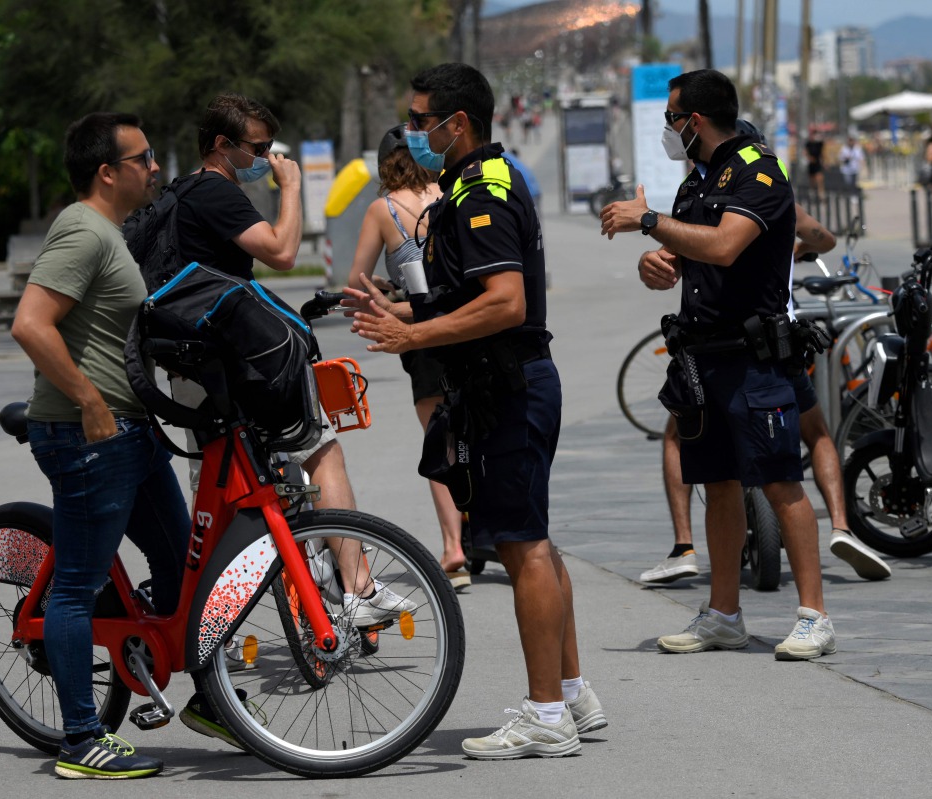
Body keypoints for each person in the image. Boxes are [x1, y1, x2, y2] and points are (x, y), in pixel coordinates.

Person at [347, 62, 606, 759]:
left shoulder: (482, 190)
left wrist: (412, 335)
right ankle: (572, 693)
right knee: (536, 543)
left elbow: (505, 302)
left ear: (456, 123)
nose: (413, 131)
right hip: (511, 382)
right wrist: (397, 309)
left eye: (420, 117)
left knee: (523, 548)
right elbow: (464, 294)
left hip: (510, 385)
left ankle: (545, 714)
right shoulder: (474, 182)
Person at [169, 93, 416, 744]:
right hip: (234, 364)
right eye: (253, 146)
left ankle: (208, 654)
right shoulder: (215, 191)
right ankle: (358, 586)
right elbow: (280, 251)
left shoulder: (177, 196)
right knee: (321, 449)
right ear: (221, 146)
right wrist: (293, 186)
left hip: (194, 369)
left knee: (222, 500)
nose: (262, 157)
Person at [599, 69, 835, 661]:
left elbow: (727, 244)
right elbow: (686, 256)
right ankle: (723, 614)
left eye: (671, 118)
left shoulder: (759, 169)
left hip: (755, 358)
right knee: (718, 485)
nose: (668, 130)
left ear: (693, 120)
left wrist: (648, 222)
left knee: (781, 482)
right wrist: (657, 264)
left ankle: (814, 616)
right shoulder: (696, 183)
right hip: (704, 359)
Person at [11, 112, 184, 779]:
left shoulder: (107, 232)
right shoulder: (81, 231)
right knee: (77, 585)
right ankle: (80, 738)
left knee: (177, 565)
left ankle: (209, 699)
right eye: (143, 158)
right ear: (107, 171)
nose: (154, 168)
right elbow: (30, 324)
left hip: (131, 432)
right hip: (90, 436)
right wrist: (87, 400)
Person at [643, 201, 892, 585]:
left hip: (727, 349)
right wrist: (797, 246)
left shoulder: (709, 206)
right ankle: (841, 526)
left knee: (679, 438)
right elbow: (825, 239)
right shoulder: (781, 204)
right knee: (818, 433)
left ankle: (684, 546)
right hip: (782, 343)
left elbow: (686, 251)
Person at [345, 125, 467, 589]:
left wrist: (387, 290)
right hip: (465, 319)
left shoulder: (383, 209)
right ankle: (488, 531)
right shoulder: (450, 192)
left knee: (439, 438)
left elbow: (358, 279)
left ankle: (454, 546)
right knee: (474, 427)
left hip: (418, 331)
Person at [505, 148, 542, 214]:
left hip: (529, 193)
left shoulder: (507, 160)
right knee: (536, 218)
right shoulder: (519, 163)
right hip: (536, 190)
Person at [804, 126, 825, 199]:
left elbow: (822, 153)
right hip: (811, 164)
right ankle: (812, 193)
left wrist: (824, 162)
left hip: (817, 163)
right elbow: (806, 152)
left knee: (820, 179)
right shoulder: (808, 144)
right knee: (812, 180)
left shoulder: (819, 144)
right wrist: (809, 158)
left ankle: (821, 194)